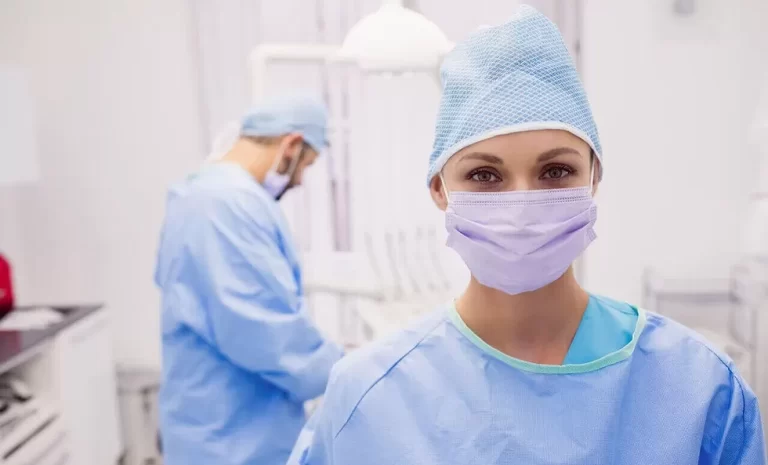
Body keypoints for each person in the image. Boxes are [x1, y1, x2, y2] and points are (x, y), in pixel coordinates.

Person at [289, 6, 766, 465]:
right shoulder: (370, 398)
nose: (521, 204)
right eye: (484, 176)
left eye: (556, 171)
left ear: (593, 178)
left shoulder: (698, 392)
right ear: (439, 189)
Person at [154, 95, 343, 465]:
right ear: (290, 144)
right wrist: (351, 370)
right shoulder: (223, 204)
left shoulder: (203, 195)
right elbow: (265, 332)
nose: (301, 180)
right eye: (306, 164)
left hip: (225, 423)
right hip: (230, 438)